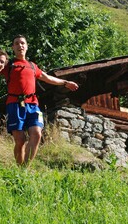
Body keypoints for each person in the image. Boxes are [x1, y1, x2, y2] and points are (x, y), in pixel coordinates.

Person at [5, 35, 79, 166]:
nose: (20, 45)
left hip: (32, 104)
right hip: (14, 104)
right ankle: (18, 168)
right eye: (16, 43)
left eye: (22, 43)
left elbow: (47, 78)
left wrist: (65, 82)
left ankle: (24, 169)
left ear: (26, 47)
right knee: (20, 140)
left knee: (37, 134)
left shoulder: (33, 66)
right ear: (13, 47)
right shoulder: (9, 65)